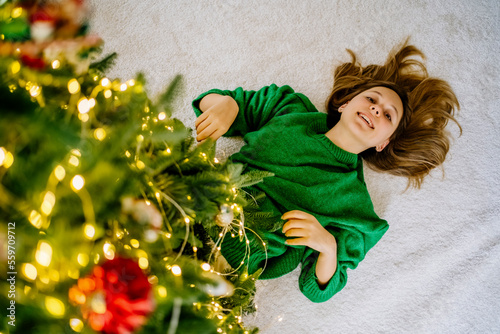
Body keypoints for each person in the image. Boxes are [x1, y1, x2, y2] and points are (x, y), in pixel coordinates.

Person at [191, 41, 461, 303]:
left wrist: (328, 247)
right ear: (345, 105)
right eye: (371, 98)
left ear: (383, 143)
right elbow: (211, 103)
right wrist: (228, 104)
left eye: (388, 116)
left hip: (232, 259)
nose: (377, 108)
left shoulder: (354, 206)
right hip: (196, 197)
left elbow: (318, 289)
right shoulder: (289, 109)